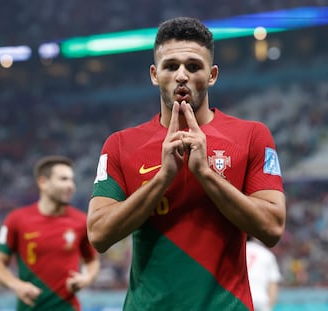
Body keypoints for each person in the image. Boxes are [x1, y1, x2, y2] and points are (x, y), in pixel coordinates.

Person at [87, 17, 286, 311]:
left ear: (212, 74)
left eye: (193, 66)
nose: (182, 75)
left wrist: (205, 173)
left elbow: (272, 228)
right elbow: (98, 235)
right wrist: (163, 178)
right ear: (155, 74)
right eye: (171, 66)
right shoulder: (120, 145)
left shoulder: (252, 136)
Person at [0, 155, 100, 311]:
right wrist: (17, 285)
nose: (71, 185)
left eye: (71, 180)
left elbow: (92, 261)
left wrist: (86, 278)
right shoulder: (16, 220)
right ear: (43, 183)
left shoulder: (81, 221)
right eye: (63, 179)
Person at [246, 236, 281, 311]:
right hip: (261, 299)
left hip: (242, 299)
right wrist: (270, 307)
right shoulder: (267, 255)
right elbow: (273, 285)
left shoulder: (237, 252)